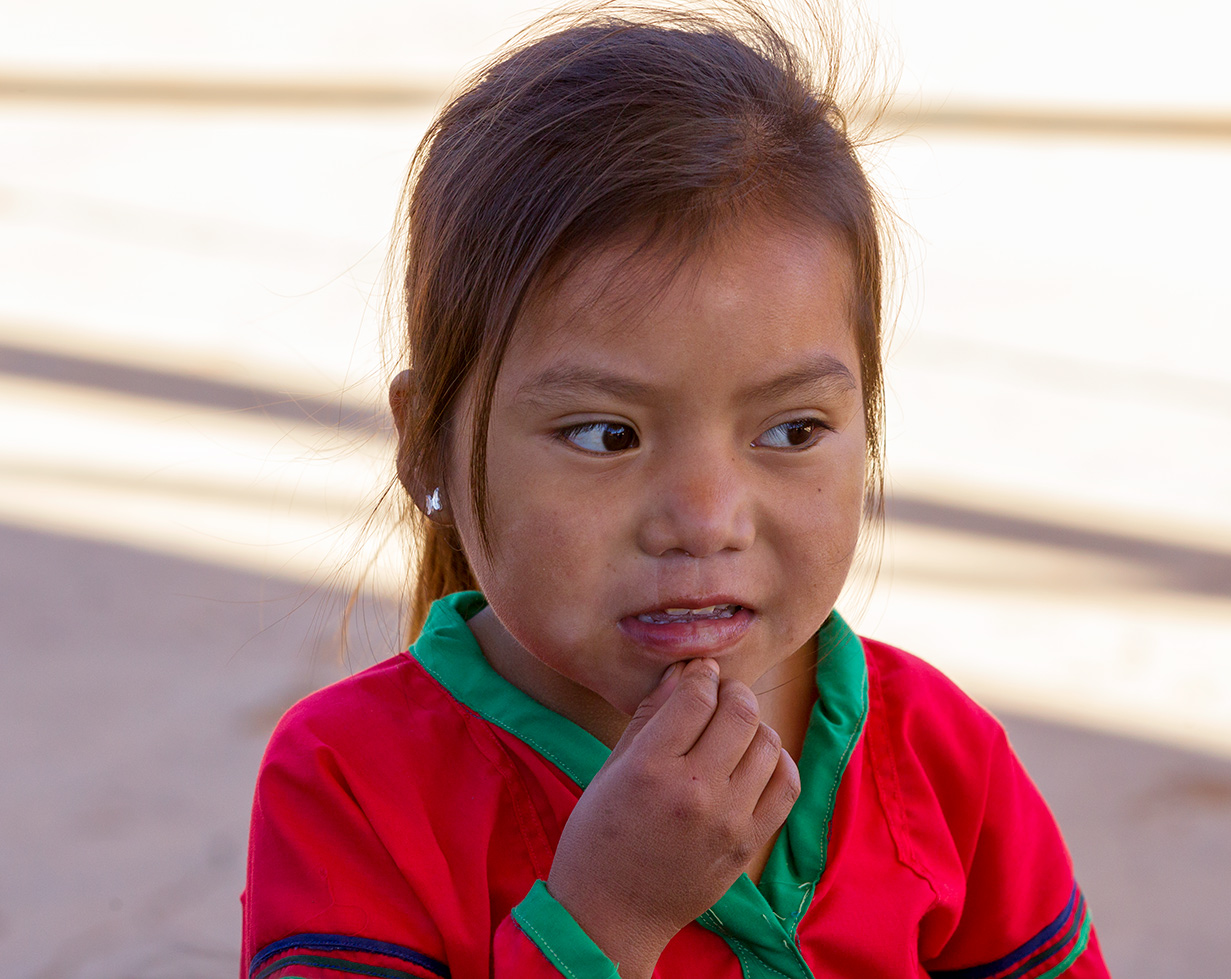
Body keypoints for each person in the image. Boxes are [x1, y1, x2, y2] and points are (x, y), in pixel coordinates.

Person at [240, 3, 1109, 977]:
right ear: (428, 448)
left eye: (791, 430)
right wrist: (605, 915)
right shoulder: (350, 783)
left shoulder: (937, 754)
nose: (704, 520)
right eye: (605, 434)